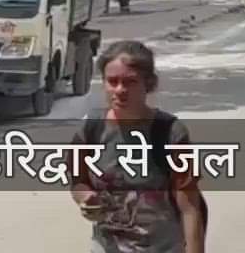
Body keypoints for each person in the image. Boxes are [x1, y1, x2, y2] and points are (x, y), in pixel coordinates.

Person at [70, 40, 206, 253]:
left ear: (148, 84)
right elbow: (79, 183)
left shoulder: (170, 133)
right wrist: (86, 199)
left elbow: (190, 208)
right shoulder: (91, 128)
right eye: (112, 81)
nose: (120, 90)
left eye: (130, 82)